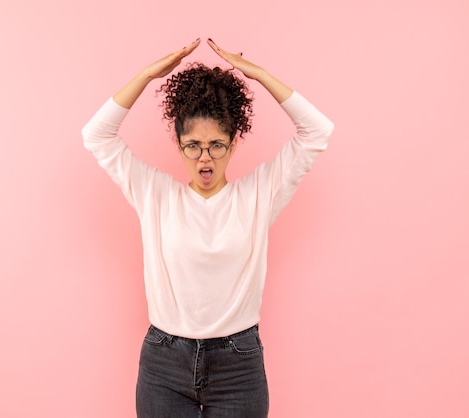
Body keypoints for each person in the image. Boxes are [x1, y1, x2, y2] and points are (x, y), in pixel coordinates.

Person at [82, 38, 334, 418]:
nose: (205, 157)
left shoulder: (258, 195)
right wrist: (148, 76)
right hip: (164, 363)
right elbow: (96, 135)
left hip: (238, 365)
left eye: (216, 144)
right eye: (193, 145)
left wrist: (261, 76)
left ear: (233, 144)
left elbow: (317, 130)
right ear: (179, 145)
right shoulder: (155, 194)